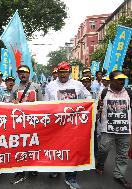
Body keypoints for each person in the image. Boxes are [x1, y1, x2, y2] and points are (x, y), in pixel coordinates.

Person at [45, 61, 91, 189]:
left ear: (69, 72)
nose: (63, 74)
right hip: (56, 125)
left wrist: (86, 105)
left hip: (74, 126)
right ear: (57, 73)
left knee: (73, 151)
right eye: (61, 72)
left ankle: (71, 177)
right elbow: (46, 105)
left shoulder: (77, 84)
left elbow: (88, 97)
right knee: (56, 148)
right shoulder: (50, 86)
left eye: (65, 72)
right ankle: (55, 168)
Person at [96, 71, 132, 189]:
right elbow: (97, 108)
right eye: (119, 79)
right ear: (111, 80)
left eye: (123, 79)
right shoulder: (104, 92)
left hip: (124, 130)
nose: (122, 82)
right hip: (108, 128)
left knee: (123, 154)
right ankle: (100, 163)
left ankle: (119, 174)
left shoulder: (129, 93)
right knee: (103, 148)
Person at [10, 65, 42, 184]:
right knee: (19, 147)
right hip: (19, 123)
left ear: (29, 74)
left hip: (33, 123)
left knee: (33, 145)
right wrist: (12, 102)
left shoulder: (36, 86)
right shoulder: (14, 88)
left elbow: (42, 105)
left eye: (24, 72)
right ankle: (20, 170)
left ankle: (33, 167)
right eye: (20, 73)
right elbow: (10, 104)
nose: (22, 74)